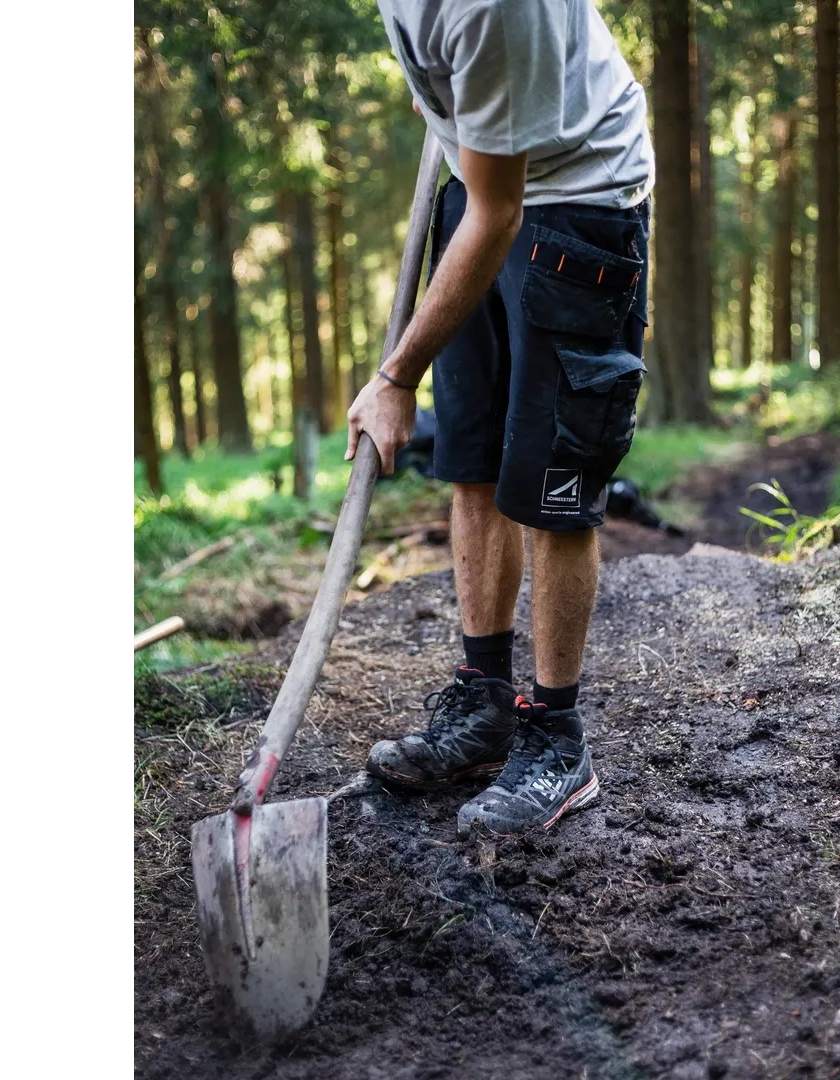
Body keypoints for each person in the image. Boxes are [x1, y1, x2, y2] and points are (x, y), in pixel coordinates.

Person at [348, 0, 654, 837]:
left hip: (579, 209)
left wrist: (395, 376)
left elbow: (500, 212)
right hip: (487, 189)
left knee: (554, 482)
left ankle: (556, 736)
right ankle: (484, 699)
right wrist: (452, 99)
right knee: (473, 460)